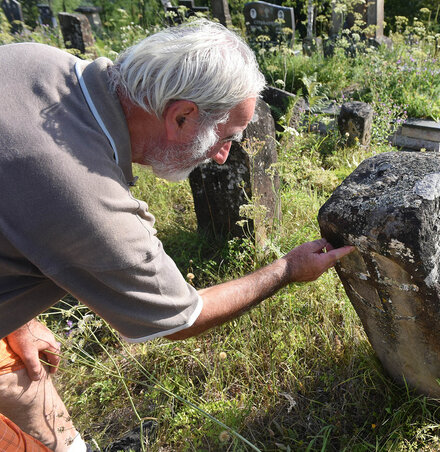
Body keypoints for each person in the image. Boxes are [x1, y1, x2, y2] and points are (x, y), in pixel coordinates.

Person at [0, 19, 354, 451]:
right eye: (226, 137)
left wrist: (17, 316)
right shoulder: (86, 202)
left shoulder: (32, 59)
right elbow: (183, 318)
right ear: (182, 116)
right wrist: (288, 269)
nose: (223, 157)